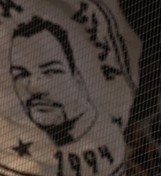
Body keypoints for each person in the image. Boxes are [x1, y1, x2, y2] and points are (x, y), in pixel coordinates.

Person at [10, 16, 97, 146]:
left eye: (50, 71)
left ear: (77, 79)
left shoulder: (105, 131)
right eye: (22, 74)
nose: (35, 87)